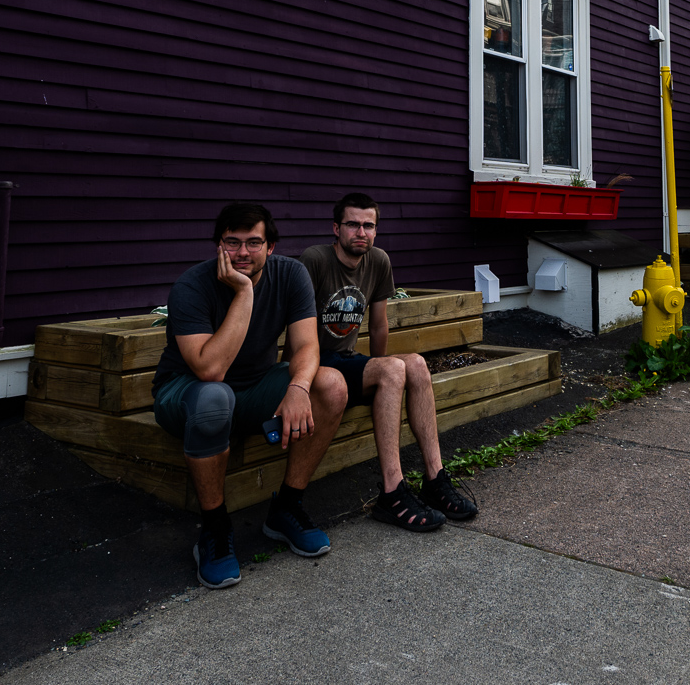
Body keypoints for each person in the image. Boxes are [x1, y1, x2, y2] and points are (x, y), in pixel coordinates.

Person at [153, 202, 349, 590]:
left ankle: (287, 508)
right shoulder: (192, 285)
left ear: (270, 246)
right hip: (186, 391)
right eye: (232, 242)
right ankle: (214, 529)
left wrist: (297, 387)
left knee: (331, 384)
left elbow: (307, 346)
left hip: (255, 386)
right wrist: (244, 293)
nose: (242, 252)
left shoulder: (291, 274)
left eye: (253, 243)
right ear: (218, 246)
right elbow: (210, 370)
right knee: (214, 398)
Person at [299, 192, 477, 531]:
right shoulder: (316, 260)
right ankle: (392, 493)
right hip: (315, 365)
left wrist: (382, 377)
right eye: (352, 224)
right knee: (393, 369)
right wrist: (383, 373)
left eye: (369, 225)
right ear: (336, 228)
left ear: (376, 231)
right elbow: (299, 326)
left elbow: (379, 324)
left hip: (348, 360)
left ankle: (435, 478)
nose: (361, 232)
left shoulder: (378, 261)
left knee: (415, 364)